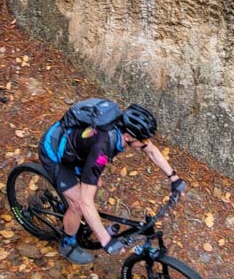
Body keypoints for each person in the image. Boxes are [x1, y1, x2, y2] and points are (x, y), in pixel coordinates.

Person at [37, 103, 186, 264]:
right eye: (143, 140)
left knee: (93, 186)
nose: (146, 143)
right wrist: (105, 240)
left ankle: (67, 205)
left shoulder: (121, 128)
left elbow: (152, 151)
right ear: (128, 137)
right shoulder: (102, 149)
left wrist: (174, 178)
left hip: (78, 151)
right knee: (79, 205)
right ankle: (67, 244)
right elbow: (86, 202)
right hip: (55, 155)